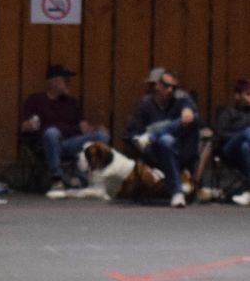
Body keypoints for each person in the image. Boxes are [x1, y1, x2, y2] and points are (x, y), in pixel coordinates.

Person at [20, 64, 110, 199]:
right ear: (53, 82)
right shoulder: (36, 100)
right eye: (65, 80)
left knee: (102, 136)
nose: (68, 84)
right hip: (47, 143)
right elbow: (24, 126)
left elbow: (84, 127)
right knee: (52, 132)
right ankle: (57, 179)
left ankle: (93, 177)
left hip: (70, 142)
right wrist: (29, 125)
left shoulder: (72, 103)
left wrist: (96, 129)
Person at [125, 67, 199, 208]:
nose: (170, 90)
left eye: (173, 87)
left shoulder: (181, 99)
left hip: (181, 151)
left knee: (190, 120)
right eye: (166, 85)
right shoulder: (145, 106)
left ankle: (152, 136)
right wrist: (139, 140)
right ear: (156, 85)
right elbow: (133, 133)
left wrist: (188, 110)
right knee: (165, 140)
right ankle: (177, 191)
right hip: (154, 155)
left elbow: (191, 113)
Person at [215, 78, 250, 206]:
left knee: (246, 147)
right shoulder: (228, 112)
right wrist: (240, 135)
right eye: (247, 94)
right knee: (247, 132)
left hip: (246, 152)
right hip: (229, 150)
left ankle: (248, 191)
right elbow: (221, 133)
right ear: (237, 95)